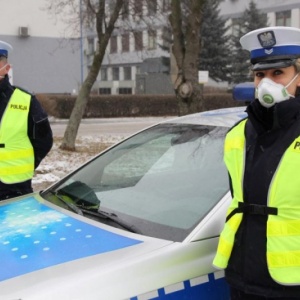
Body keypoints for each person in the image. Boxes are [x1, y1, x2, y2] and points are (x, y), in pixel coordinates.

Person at [213, 26, 300, 299]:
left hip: (291, 284)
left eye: (278, 73)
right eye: (260, 74)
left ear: (298, 77)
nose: (266, 83)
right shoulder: (237, 134)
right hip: (242, 276)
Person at [0, 40, 53, 200]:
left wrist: (26, 164)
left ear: (6, 68)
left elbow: (43, 141)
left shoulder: (25, 100)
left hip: (14, 189)